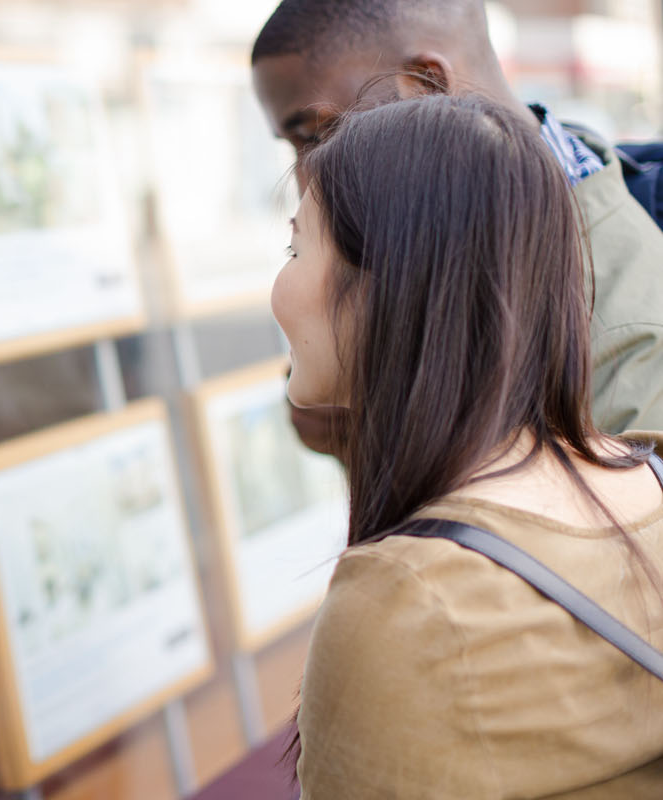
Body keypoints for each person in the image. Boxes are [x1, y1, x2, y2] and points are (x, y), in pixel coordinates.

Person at [274, 92, 663, 797]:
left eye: (296, 246)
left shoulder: (406, 600)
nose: (278, 284)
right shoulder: (652, 473)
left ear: (389, 282)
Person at [252, 0, 663, 453]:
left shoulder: (623, 324)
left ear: (427, 85)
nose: (305, 177)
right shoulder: (440, 245)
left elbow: (598, 520)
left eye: (318, 133)